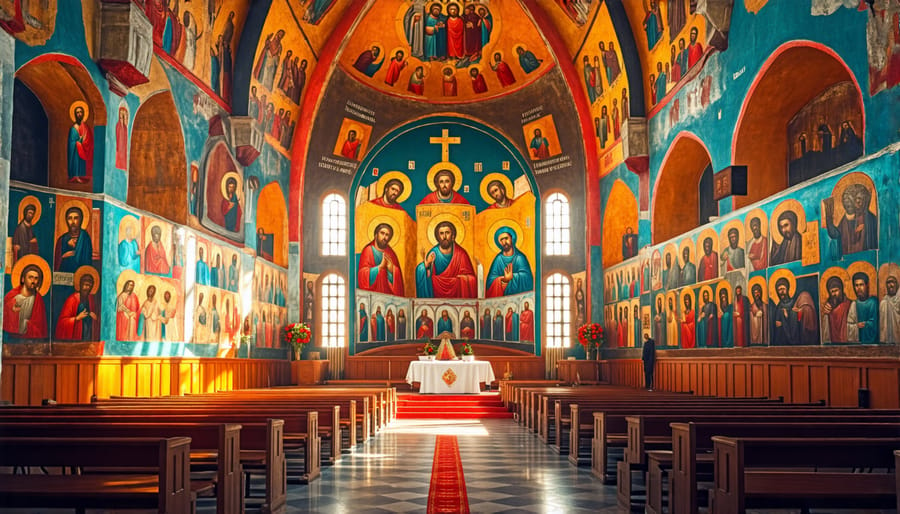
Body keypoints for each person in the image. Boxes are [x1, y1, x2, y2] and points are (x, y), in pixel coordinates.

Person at [415, 221, 477, 298]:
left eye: (447, 233)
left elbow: (471, 278)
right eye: (441, 233)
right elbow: (427, 276)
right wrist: (426, 264)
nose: (444, 236)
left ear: (453, 236)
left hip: (457, 298)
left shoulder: (461, 254)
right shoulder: (433, 253)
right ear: (437, 236)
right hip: (436, 297)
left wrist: (459, 281)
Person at [825, 183, 877, 258]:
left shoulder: (869, 218)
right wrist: (829, 219)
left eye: (859, 201)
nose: (848, 206)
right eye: (846, 204)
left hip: (866, 256)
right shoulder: (845, 220)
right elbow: (836, 234)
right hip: (848, 258)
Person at [358, 223, 405, 296]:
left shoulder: (391, 254)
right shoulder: (368, 250)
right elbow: (362, 274)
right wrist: (380, 267)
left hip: (388, 296)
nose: (384, 237)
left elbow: (398, 282)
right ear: (376, 235)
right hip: (373, 295)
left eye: (387, 235)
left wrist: (392, 270)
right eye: (382, 233)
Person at [485, 227, 533, 297]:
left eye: (506, 238)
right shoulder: (498, 259)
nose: (504, 242)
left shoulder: (520, 258)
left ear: (512, 238)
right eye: (501, 240)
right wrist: (504, 279)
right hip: (501, 298)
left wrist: (512, 277)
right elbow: (490, 281)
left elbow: (527, 278)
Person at [3, 264, 48, 339]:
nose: (33, 281)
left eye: (36, 278)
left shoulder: (38, 299)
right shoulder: (12, 296)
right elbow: (4, 317)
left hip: (30, 340)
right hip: (12, 339)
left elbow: (40, 327)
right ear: (23, 279)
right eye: (30, 277)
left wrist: (27, 325)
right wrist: (12, 310)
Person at [55, 272, 99, 341]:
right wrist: (77, 318)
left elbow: (97, 319)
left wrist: (94, 317)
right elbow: (62, 322)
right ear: (80, 285)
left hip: (88, 335)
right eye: (85, 285)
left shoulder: (91, 299)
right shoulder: (72, 299)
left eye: (90, 286)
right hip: (76, 335)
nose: (87, 288)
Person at [55, 206, 93, 273]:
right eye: (69, 218)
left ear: (80, 220)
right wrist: (64, 256)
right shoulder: (62, 240)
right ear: (66, 220)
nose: (72, 222)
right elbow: (56, 263)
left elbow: (87, 260)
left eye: (76, 218)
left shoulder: (85, 237)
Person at [847, 272, 878, 343]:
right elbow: (849, 325)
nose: (858, 288)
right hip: (858, 343)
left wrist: (865, 324)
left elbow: (876, 323)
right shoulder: (854, 304)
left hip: (872, 343)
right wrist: (856, 326)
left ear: (867, 285)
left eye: (861, 285)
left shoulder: (873, 302)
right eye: (856, 285)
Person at [68, 103, 94, 183]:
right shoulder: (73, 128)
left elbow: (90, 140)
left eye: (81, 112)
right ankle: (75, 176)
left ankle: (82, 176)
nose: (79, 114)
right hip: (76, 150)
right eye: (77, 113)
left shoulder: (86, 127)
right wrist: (77, 143)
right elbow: (71, 142)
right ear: (75, 115)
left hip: (84, 149)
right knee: (76, 161)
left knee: (83, 163)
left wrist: (85, 142)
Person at [821, 276, 851, 343]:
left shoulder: (849, 304)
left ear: (841, 289)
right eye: (832, 291)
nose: (834, 294)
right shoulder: (828, 306)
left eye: (836, 290)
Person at [880, 275, 900, 343]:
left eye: (892, 282)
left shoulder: (898, 300)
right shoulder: (883, 302)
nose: (890, 285)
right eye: (888, 282)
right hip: (886, 337)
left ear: (896, 284)